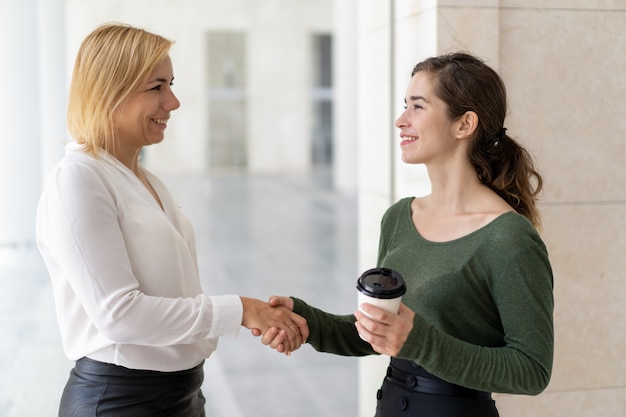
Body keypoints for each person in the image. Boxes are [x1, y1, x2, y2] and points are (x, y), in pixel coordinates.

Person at [259, 52, 554, 417]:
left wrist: (421, 344)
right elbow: (378, 331)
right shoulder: (399, 217)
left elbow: (532, 370)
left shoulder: (509, 238)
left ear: (464, 124)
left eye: (417, 107)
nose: (401, 121)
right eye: (404, 107)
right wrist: (307, 321)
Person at [36, 23, 308, 417]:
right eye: (157, 86)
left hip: (181, 394)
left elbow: (173, 296)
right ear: (110, 90)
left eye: (171, 84)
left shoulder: (146, 181)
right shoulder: (79, 178)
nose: (174, 102)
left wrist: (263, 317)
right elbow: (119, 315)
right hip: (119, 401)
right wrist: (242, 310)